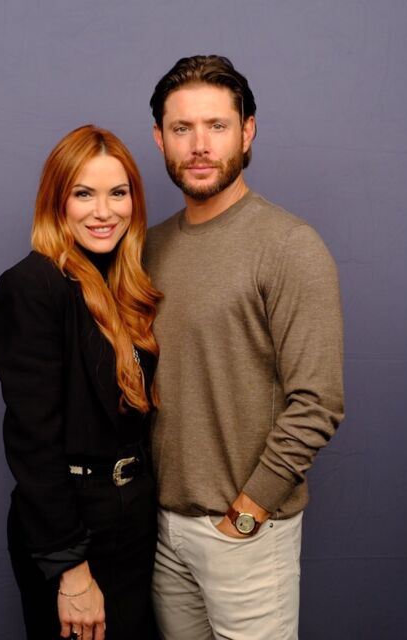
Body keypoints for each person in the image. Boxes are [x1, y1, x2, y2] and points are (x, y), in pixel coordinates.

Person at [145, 55, 345, 639]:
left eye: (217, 125)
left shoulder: (289, 246)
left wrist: (249, 512)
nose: (199, 145)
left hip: (246, 533)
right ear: (160, 138)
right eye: (182, 128)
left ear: (247, 130)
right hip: (164, 531)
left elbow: (318, 401)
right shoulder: (148, 248)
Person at [0, 125, 162, 640]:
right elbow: (33, 442)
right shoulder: (32, 285)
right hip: (72, 525)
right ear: (56, 201)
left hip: (135, 517)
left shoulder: (127, 281)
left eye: (118, 193)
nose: (103, 212)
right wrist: (71, 569)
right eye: (84, 194)